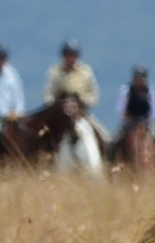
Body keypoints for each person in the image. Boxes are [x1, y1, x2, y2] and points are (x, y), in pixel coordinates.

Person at [43, 39, 104, 178]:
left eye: (73, 55)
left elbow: (94, 94)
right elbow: (47, 95)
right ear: (63, 56)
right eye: (68, 55)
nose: (70, 58)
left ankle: (105, 164)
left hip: (81, 115)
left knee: (103, 136)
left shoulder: (86, 72)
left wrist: (82, 101)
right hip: (59, 118)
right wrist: (59, 105)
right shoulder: (55, 72)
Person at [109, 64, 155, 161]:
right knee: (114, 141)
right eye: (137, 78)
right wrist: (129, 119)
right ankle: (110, 163)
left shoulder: (150, 92)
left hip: (146, 124)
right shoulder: (126, 91)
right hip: (129, 123)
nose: (139, 81)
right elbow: (120, 109)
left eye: (141, 79)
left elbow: (154, 110)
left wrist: (146, 121)